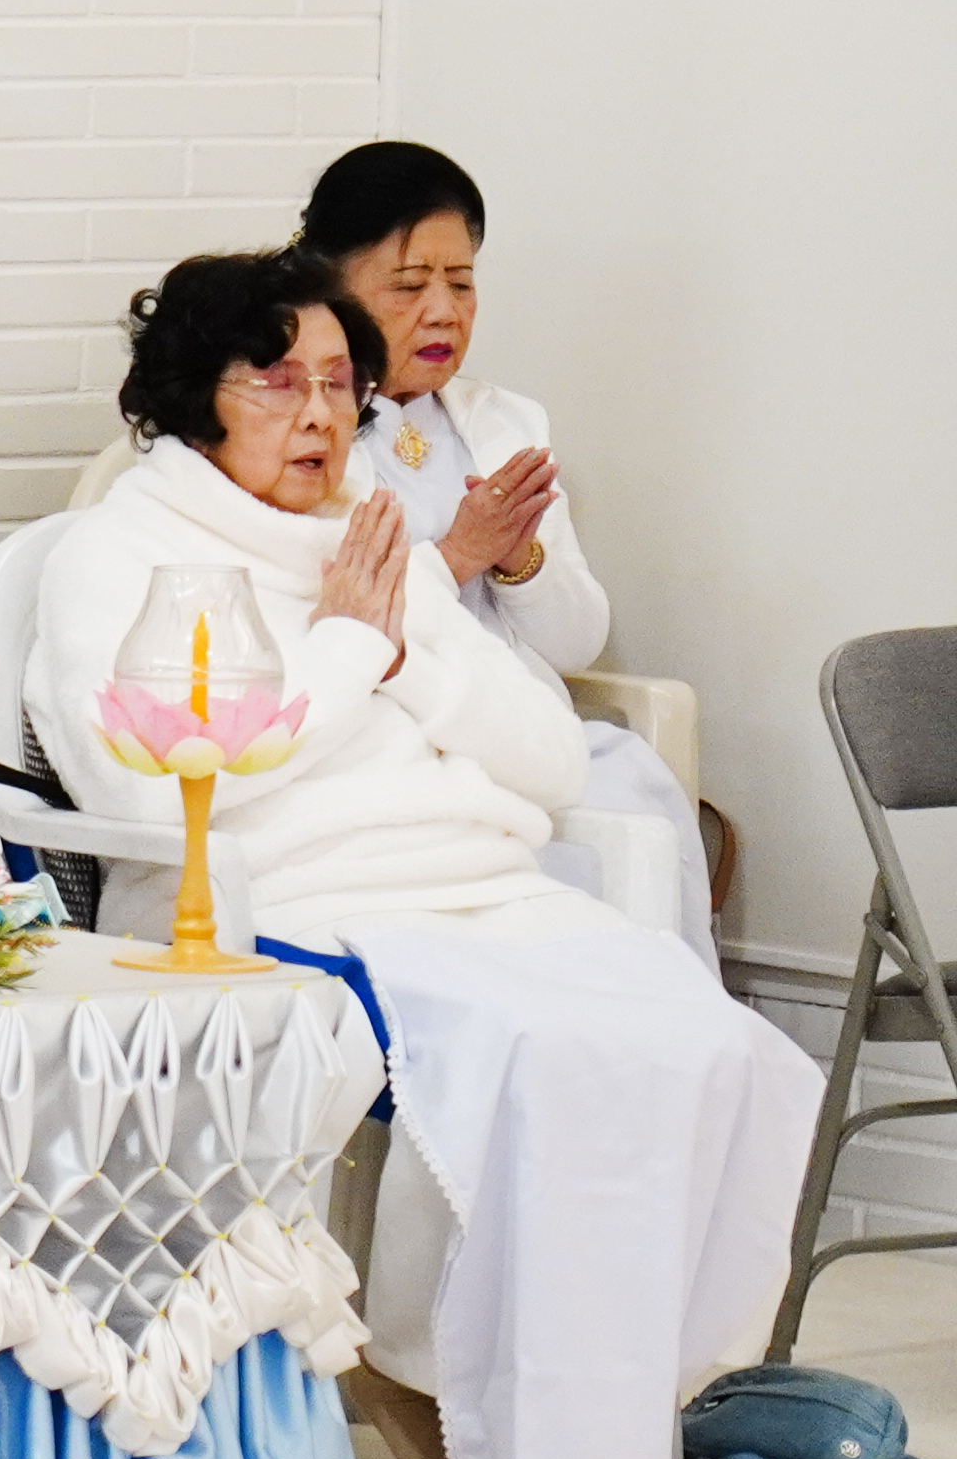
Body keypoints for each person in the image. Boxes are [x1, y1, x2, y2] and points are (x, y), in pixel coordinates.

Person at [27, 250, 805, 1459]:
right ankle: (419, 1357)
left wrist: (406, 655)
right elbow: (168, 786)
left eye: (340, 384)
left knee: (703, 1032)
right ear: (192, 398)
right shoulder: (124, 553)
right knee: (538, 1047)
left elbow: (548, 761)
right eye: (280, 385)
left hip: (482, 884)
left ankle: (598, 1396)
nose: (323, 417)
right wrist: (350, 647)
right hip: (288, 903)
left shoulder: (370, 541)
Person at [294, 139, 715, 961]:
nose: (445, 311)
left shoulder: (506, 422)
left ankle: (666, 1042)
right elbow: (320, 620)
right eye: (411, 286)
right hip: (396, 730)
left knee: (638, 793)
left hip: (517, 721)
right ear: (332, 286)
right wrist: (456, 553)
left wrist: (517, 560)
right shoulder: (304, 433)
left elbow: (574, 642)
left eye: (463, 281)